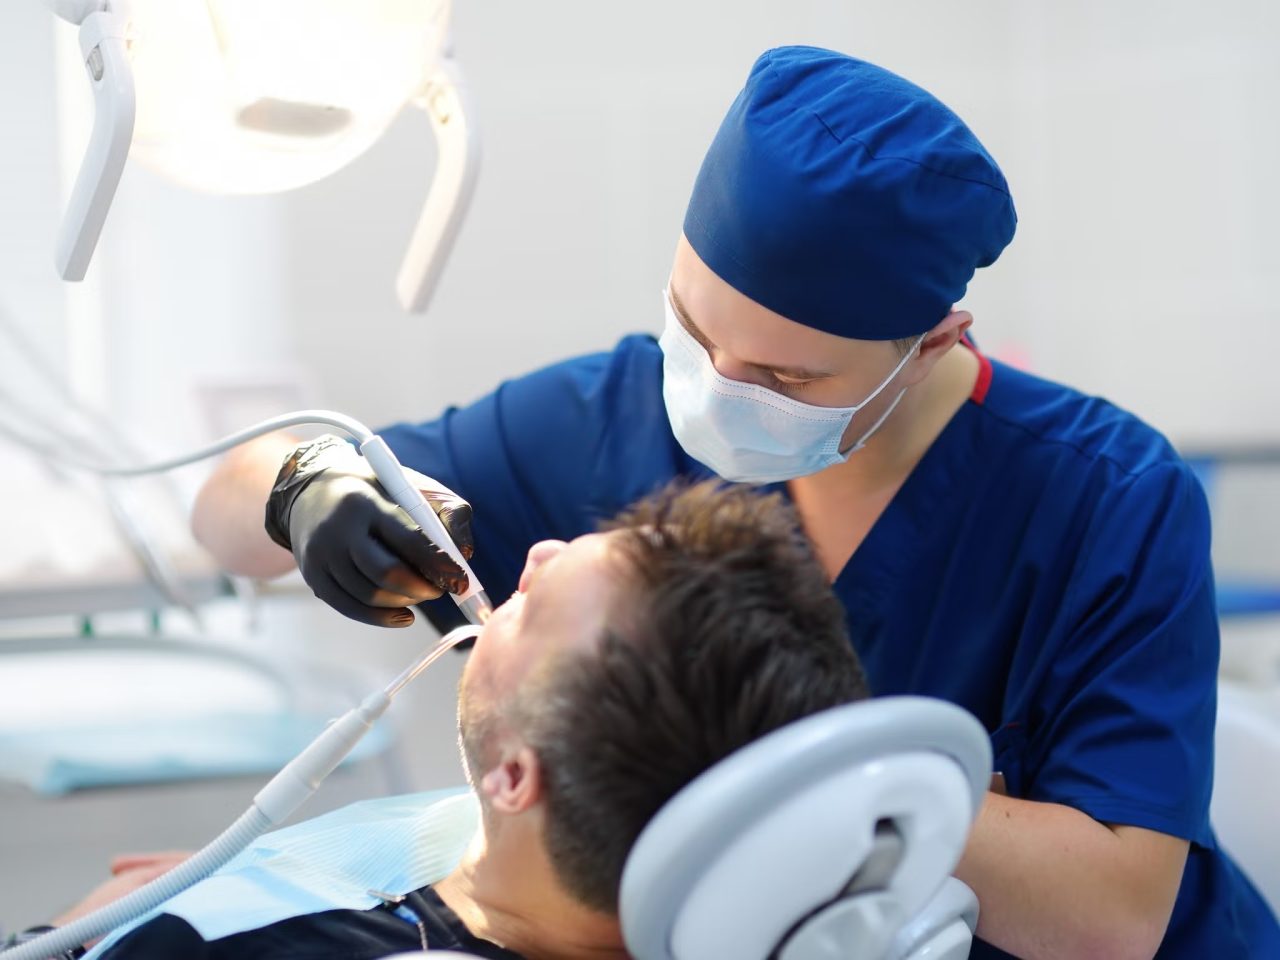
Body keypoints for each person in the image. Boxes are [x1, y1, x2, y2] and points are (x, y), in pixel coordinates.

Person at [190, 46, 1279, 958]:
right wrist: (302, 486)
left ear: (935, 341)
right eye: (693, 329)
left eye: (784, 380)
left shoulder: (1105, 498)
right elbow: (220, 515)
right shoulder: (613, 412)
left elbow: (1114, 916)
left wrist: (777, 744)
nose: (714, 392)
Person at [16, 482, 867, 959]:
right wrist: (265, 878)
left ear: (515, 776)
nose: (536, 553)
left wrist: (90, 934)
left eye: (535, 607)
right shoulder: (543, 856)